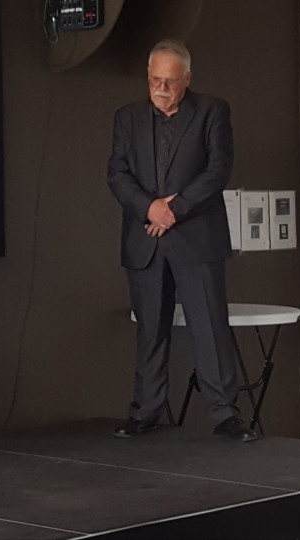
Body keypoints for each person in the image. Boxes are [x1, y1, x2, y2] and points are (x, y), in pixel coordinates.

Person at [107, 39, 257, 443]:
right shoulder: (127, 117)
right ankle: (145, 412)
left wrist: (174, 209)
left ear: (187, 79)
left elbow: (218, 170)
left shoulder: (213, 111)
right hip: (146, 239)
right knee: (150, 329)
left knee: (210, 327)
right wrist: (149, 208)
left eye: (171, 82)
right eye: (155, 80)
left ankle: (226, 415)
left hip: (196, 239)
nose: (162, 89)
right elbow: (117, 173)